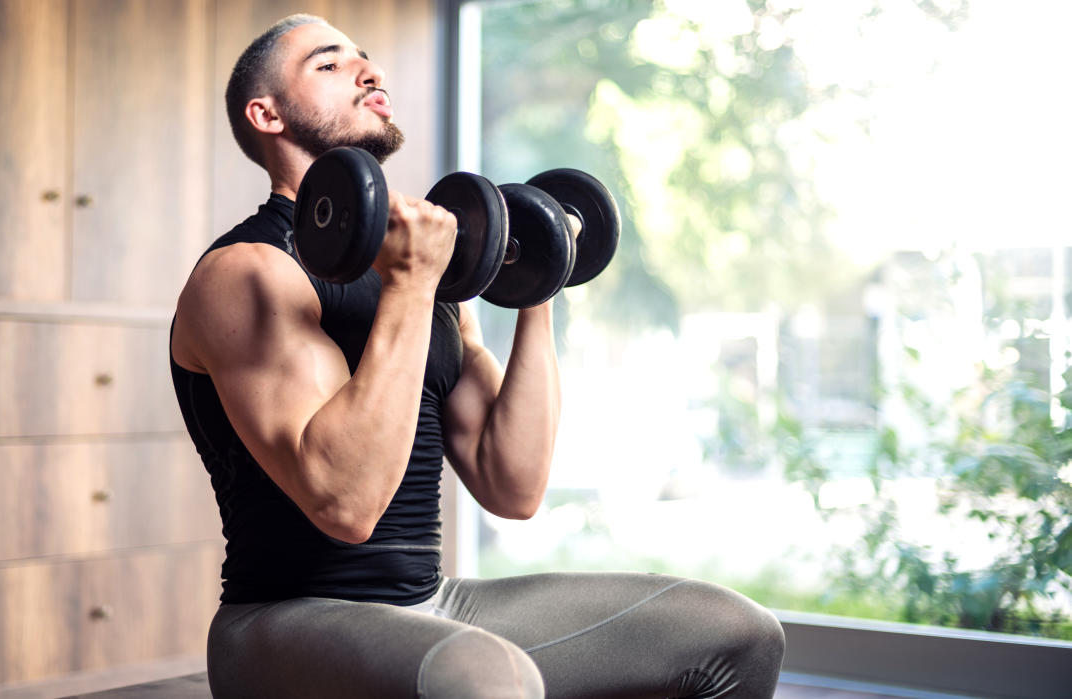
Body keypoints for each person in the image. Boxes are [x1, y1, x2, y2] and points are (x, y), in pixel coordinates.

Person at [170, 13, 785, 699]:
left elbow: (512, 484)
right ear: (267, 114)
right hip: (281, 623)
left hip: (433, 608)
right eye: (329, 64)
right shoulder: (248, 273)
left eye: (367, 58)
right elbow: (344, 503)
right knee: (487, 673)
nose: (369, 72)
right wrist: (409, 284)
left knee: (737, 631)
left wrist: (540, 280)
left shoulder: (430, 276)